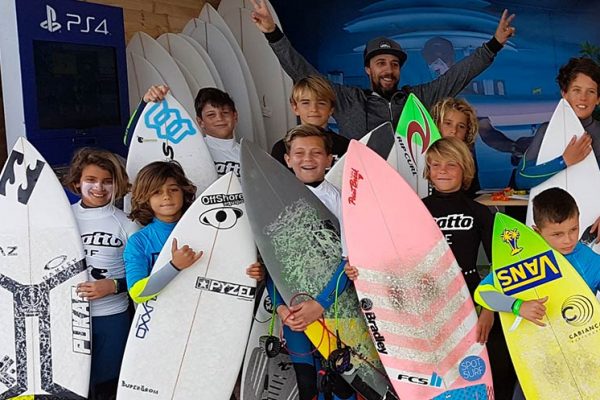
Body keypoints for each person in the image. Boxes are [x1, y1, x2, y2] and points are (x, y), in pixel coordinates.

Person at [249, 0, 515, 139]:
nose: (388, 70)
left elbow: (457, 76)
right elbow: (304, 74)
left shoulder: (417, 99)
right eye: (380, 63)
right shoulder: (347, 99)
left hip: (409, 191)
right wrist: (273, 33)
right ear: (368, 69)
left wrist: (494, 44)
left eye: (394, 64)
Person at [474, 187, 600, 400]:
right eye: (557, 234)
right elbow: (483, 293)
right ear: (537, 231)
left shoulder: (587, 260)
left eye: (573, 229)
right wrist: (517, 306)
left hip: (582, 357)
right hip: (537, 359)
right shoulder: (523, 263)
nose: (568, 240)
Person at [421, 137, 516, 399]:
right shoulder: (416, 209)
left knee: (493, 363)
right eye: (436, 165)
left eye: (451, 164)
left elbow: (500, 263)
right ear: (428, 170)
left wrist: (489, 309)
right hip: (430, 300)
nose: (442, 170)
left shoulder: (479, 212)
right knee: (441, 375)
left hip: (472, 295)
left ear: (465, 168)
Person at [267, 124, 355, 400]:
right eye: (299, 152)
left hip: (338, 308)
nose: (308, 159)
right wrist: (281, 308)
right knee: (307, 384)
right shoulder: (273, 203)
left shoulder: (342, 203)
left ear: (329, 159)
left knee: (342, 384)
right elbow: (270, 263)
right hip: (294, 312)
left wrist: (320, 305)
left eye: (316, 152)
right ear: (287, 159)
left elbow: (350, 262)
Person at [63, 148, 139, 399]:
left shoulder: (128, 223)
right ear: (77, 182)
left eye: (107, 181)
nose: (99, 187)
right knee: (72, 387)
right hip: (66, 317)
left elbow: (145, 277)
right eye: (91, 180)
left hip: (111, 316)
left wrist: (114, 285)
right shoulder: (62, 218)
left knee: (108, 386)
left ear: (118, 184)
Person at [515, 57, 600, 190]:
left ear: (598, 99)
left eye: (591, 91)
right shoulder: (547, 130)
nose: (583, 97)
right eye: (576, 90)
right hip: (555, 203)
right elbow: (522, 178)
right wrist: (564, 161)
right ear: (564, 94)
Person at [142, 86, 242, 177]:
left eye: (225, 112)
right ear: (200, 122)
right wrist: (145, 103)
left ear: (235, 116)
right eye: (211, 115)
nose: (219, 118)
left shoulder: (247, 154)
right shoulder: (188, 149)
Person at [271, 75, 349, 166]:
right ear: (295, 108)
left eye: (321, 103)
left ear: (331, 109)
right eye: (306, 103)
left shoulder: (345, 146)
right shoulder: (281, 148)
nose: (314, 109)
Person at [431, 97, 481, 197]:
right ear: (437, 125)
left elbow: (472, 195)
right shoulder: (422, 153)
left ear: (467, 132)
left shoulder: (468, 158)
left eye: (461, 126)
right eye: (448, 123)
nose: (454, 130)